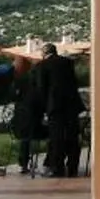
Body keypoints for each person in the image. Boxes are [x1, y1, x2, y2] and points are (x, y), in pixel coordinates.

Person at [35, 47, 83, 177]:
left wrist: (43, 108)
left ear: (44, 53)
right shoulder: (67, 62)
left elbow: (41, 88)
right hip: (72, 105)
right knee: (72, 135)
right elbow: (74, 82)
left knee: (56, 137)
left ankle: (58, 168)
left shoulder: (42, 65)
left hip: (55, 106)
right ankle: (73, 167)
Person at [11, 50, 46, 176]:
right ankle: (51, 164)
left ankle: (23, 163)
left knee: (25, 138)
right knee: (56, 133)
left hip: (18, 126)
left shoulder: (21, 84)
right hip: (33, 128)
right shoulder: (38, 90)